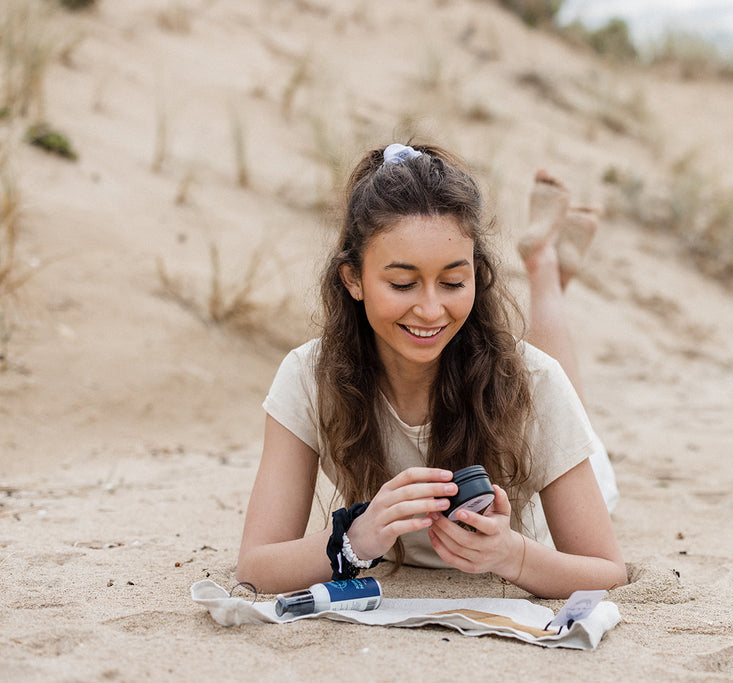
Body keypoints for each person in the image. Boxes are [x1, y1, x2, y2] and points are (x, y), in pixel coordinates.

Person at [236, 143, 625, 600]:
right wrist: (355, 538)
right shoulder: (308, 375)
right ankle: (547, 264)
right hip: (526, 397)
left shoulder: (536, 382)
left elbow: (607, 571)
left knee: (548, 382)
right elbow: (255, 568)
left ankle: (543, 269)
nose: (430, 309)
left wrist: (511, 555)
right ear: (353, 279)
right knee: (539, 377)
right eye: (402, 283)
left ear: (477, 277)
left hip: (538, 502)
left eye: (453, 282)